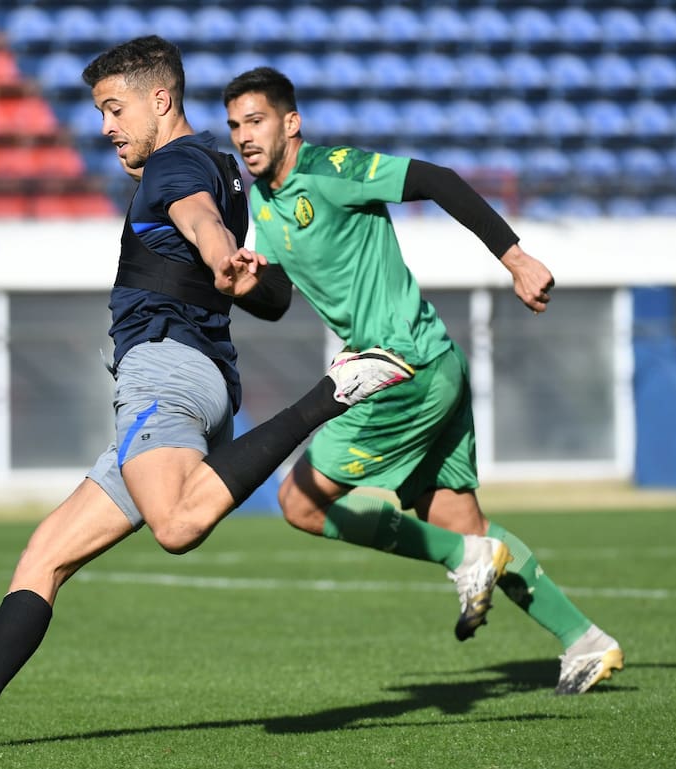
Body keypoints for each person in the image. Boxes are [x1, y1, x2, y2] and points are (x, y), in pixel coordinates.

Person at [0, 36, 415, 756]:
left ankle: (334, 390)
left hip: (163, 374)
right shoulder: (227, 169)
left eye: (114, 108)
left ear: (161, 100)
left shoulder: (175, 164)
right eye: (100, 113)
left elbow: (196, 218)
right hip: (192, 382)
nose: (106, 128)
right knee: (45, 556)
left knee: (177, 527)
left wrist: (222, 255)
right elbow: (268, 294)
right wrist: (238, 271)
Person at [221, 66, 624, 695]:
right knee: (466, 527)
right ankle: (585, 640)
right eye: (235, 125)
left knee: (299, 501)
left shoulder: (333, 169)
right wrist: (245, 289)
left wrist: (514, 257)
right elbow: (277, 300)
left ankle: (458, 561)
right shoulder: (264, 208)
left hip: (398, 369)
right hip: (432, 364)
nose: (244, 135)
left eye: (256, 120)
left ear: (290, 123)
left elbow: (437, 179)